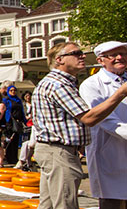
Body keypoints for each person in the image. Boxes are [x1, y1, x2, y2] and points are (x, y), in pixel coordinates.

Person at [32, 42, 127, 209]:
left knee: (49, 205)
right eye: (76, 53)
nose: (82, 56)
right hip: (59, 151)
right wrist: (121, 93)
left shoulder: (62, 83)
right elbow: (89, 118)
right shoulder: (58, 84)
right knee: (65, 204)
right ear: (59, 59)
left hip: (57, 150)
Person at [79, 41, 127, 209]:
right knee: (112, 200)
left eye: (123, 54)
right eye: (113, 55)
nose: (120, 57)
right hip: (108, 152)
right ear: (100, 60)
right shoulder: (91, 85)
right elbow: (105, 120)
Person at [3, 85, 26, 165]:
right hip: (9, 122)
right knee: (10, 140)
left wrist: (24, 121)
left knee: (16, 141)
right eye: (11, 90)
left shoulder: (18, 100)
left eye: (14, 90)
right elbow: (6, 111)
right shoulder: (6, 100)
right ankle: (8, 157)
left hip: (17, 122)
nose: (13, 92)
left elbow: (22, 111)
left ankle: (14, 158)